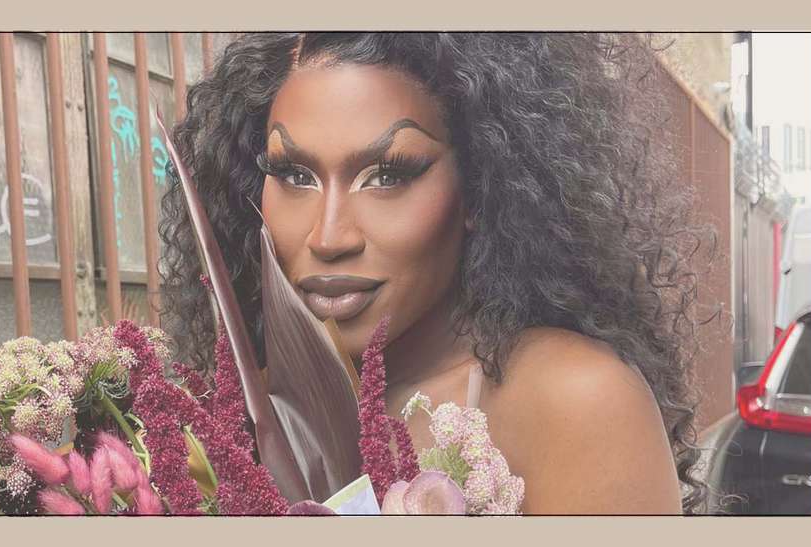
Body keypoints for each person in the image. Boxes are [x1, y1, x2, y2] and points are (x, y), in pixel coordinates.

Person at [159, 32, 712, 514]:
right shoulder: (240, 413)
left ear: (478, 184)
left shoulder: (577, 401)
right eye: (293, 174)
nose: (328, 237)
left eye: (388, 174)